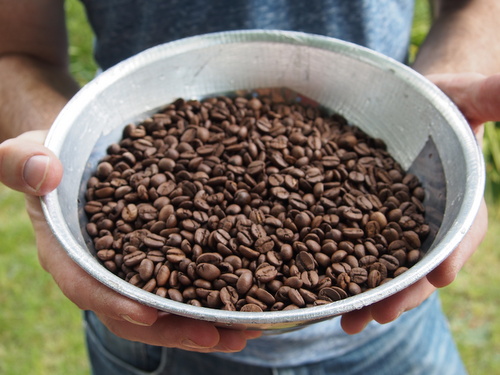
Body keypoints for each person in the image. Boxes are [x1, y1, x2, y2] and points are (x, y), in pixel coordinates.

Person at [0, 0, 498, 373]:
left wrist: (437, 110)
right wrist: (57, 171)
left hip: (390, 319)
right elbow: (14, 50)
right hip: (152, 338)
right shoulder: (149, 201)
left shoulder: (379, 220)